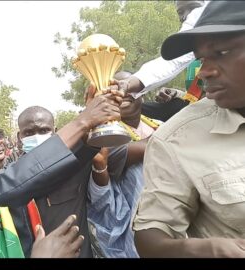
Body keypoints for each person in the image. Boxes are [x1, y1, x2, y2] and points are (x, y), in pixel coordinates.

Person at [0, 91, 124, 258]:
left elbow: (54, 173)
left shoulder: (18, 182)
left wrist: (93, 132)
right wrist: (82, 122)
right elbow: (11, 181)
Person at [132, 1, 245, 257]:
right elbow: (150, 239)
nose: (204, 72)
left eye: (222, 53)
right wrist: (206, 249)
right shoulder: (177, 139)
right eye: (202, 59)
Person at [16, 105, 107, 258]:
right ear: (20, 136)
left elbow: (122, 151)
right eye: (29, 132)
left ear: (55, 130)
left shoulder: (75, 161)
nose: (37, 136)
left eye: (44, 130)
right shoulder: (10, 178)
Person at [86, 71, 160, 258]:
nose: (122, 93)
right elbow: (158, 144)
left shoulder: (159, 125)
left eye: (128, 87)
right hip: (137, 236)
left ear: (142, 93)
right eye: (113, 89)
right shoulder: (103, 137)